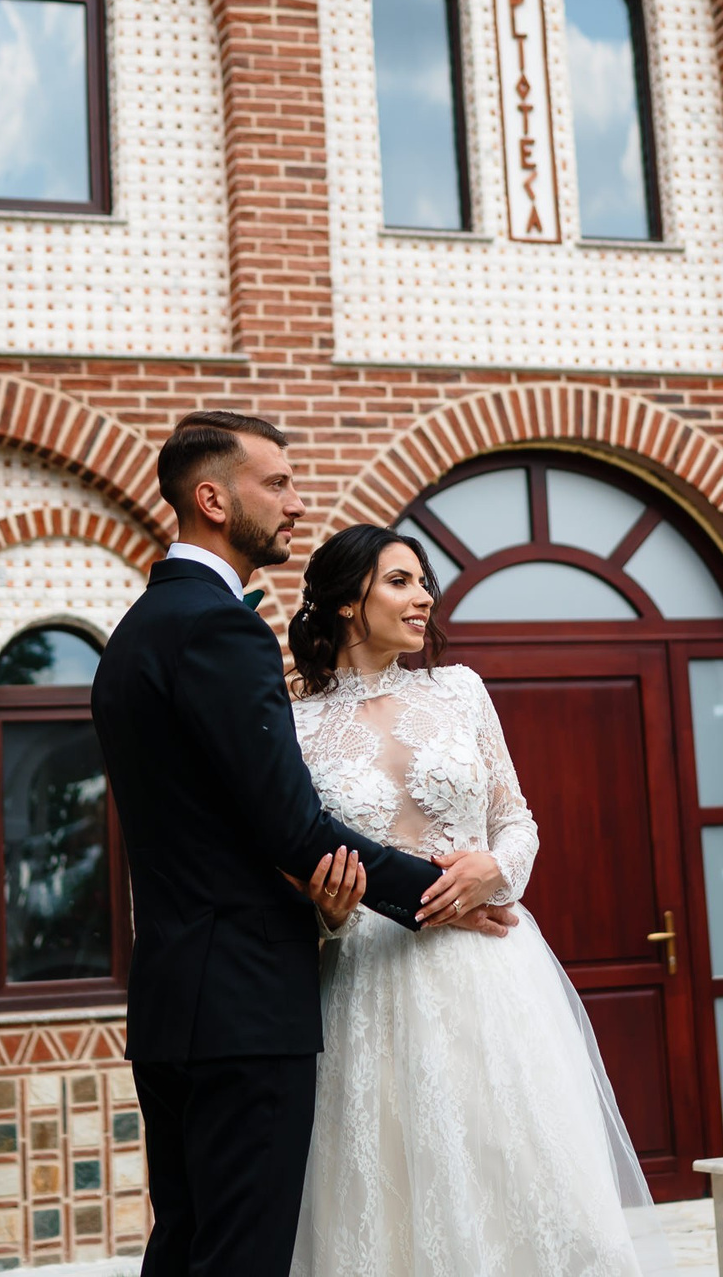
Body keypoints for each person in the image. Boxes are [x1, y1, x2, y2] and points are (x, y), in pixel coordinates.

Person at [90, 411, 513, 1277]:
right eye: (276, 483)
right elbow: (291, 826)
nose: (295, 502)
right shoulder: (220, 628)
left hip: (173, 999)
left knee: (186, 1247)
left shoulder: (134, 634)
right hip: (245, 1002)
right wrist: (434, 896)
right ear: (213, 498)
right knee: (242, 1255)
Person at [283, 523, 666, 1277]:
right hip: (369, 984)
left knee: (520, 1171)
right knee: (396, 1190)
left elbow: (516, 817)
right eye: (400, 580)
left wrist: (495, 869)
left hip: (489, 975)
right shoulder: (295, 723)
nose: (423, 595)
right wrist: (328, 913)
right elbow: (297, 860)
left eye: (424, 581)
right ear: (345, 602)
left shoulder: (459, 690)